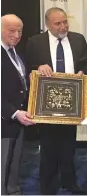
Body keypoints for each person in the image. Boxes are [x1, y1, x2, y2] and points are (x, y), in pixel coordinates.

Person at [25, 7, 87, 194]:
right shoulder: (35, 42)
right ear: (47, 24)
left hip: (72, 103)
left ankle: (69, 181)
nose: (63, 26)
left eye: (65, 21)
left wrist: (82, 74)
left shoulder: (78, 39)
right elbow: (27, 66)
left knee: (69, 146)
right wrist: (38, 66)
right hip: (46, 104)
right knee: (48, 147)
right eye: (58, 23)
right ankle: (47, 185)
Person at [1, 14, 36, 195]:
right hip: (5, 121)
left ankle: (13, 191)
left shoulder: (16, 53)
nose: (16, 35)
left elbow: (21, 83)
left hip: (20, 120)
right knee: (2, 166)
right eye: (11, 31)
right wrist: (14, 113)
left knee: (14, 164)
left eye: (19, 31)